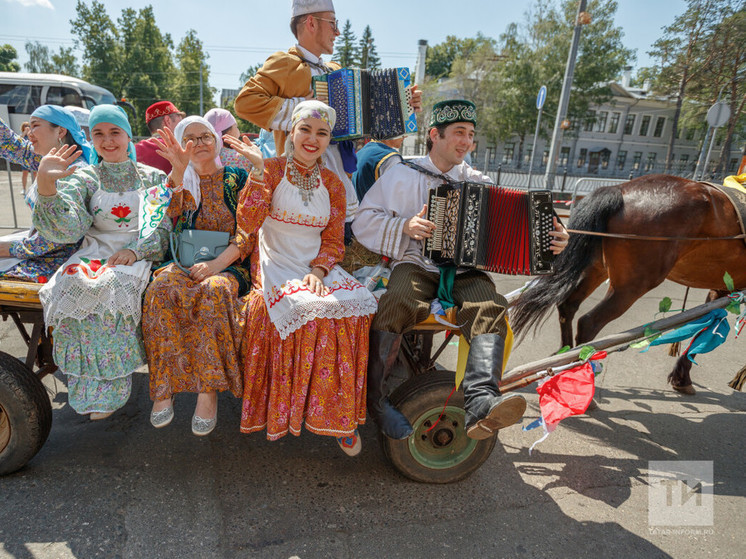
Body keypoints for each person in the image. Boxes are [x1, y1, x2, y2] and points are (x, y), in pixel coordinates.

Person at [353, 99, 570, 440]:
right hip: (417, 264)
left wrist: (554, 241)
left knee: (491, 307)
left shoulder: (479, 182)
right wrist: (405, 227)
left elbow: (518, 228)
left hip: (465, 272)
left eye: (470, 134)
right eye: (458, 133)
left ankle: (480, 401)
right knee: (396, 301)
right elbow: (363, 221)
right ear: (434, 135)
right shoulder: (402, 174)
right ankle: (376, 402)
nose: (467, 142)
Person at [236, 100, 378, 456]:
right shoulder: (268, 169)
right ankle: (290, 411)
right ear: (292, 132)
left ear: (329, 140)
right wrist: (255, 173)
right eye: (306, 130)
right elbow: (247, 224)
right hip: (275, 261)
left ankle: (339, 418)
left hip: (314, 264)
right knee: (308, 310)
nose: (312, 139)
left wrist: (318, 271)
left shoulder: (333, 182)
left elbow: (333, 239)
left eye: (322, 133)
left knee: (355, 309)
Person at [33, 104, 171, 420]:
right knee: (73, 280)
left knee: (111, 285)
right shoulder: (85, 177)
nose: (108, 141)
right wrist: (47, 186)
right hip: (94, 249)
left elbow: (159, 226)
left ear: (127, 135)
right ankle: (85, 385)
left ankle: (111, 386)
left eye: (114, 132)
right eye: (99, 134)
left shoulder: (151, 177)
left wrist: (136, 251)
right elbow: (69, 228)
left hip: (136, 252)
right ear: (91, 138)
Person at [142, 116, 257, 436]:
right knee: (160, 290)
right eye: (190, 138)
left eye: (206, 136)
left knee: (215, 291)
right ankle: (163, 389)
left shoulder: (237, 177)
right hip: (184, 261)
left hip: (228, 263)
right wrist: (178, 171)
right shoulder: (176, 178)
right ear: (181, 144)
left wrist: (218, 265)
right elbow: (163, 218)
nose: (200, 143)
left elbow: (248, 231)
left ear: (217, 140)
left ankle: (208, 393)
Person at [0, 106, 91, 282]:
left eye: (35, 126)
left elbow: (60, 236)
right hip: (39, 251)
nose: (29, 132)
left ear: (61, 131)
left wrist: (10, 248)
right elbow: (13, 145)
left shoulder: (74, 171)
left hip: (56, 261)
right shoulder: (50, 160)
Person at [135, 101, 185, 174]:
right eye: (180, 121)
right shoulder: (180, 149)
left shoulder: (134, 150)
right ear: (168, 121)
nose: (183, 126)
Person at [351, 135, 404, 201]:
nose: (404, 137)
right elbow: (397, 197)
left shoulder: (361, 152)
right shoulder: (390, 157)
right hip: (378, 210)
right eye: (401, 134)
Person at [203, 107, 254, 172]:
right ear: (229, 132)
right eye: (236, 127)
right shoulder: (245, 156)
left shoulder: (200, 157)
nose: (238, 130)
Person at [19, 122, 32, 194]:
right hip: (25, 157)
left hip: (33, 156)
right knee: (25, 173)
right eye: (25, 126)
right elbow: (19, 140)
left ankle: (36, 188)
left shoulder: (32, 134)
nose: (27, 127)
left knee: (35, 173)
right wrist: (24, 133)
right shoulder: (22, 134)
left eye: (28, 126)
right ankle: (24, 188)